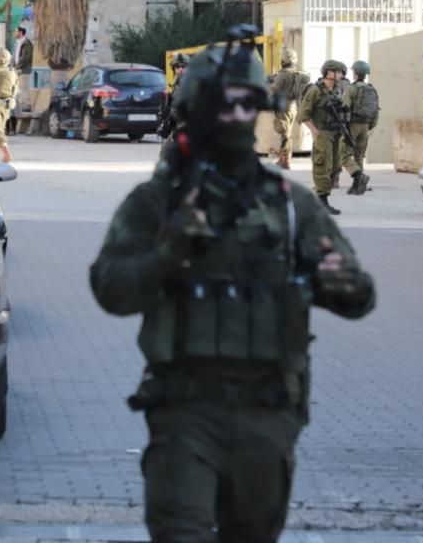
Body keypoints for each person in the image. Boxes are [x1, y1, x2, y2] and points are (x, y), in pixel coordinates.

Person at [89, 27, 375, 543]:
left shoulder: (289, 206)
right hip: (185, 413)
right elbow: (110, 289)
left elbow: (358, 296)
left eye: (248, 104)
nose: (237, 116)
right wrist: (169, 253)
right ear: (195, 109)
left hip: (267, 415)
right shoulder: (157, 203)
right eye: (224, 103)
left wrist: (342, 282)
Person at [299, 59, 349, 214]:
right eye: (339, 72)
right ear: (329, 72)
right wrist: (314, 131)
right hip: (323, 133)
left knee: (335, 167)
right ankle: (321, 201)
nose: (341, 75)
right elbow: (303, 115)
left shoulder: (337, 90)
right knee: (323, 167)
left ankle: (323, 200)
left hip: (336, 133)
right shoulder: (315, 90)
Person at [341, 60, 378, 196]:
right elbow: (375, 111)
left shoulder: (352, 88)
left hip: (353, 124)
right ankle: (357, 186)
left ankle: (359, 177)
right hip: (366, 125)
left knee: (343, 155)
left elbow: (345, 107)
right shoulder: (371, 89)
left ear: (355, 74)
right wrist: (369, 126)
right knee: (359, 155)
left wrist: (343, 126)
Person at [269, 49, 311, 170]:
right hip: (293, 106)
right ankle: (283, 159)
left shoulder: (283, 75)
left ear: (283, 60)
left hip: (284, 105)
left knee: (284, 133)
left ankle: (285, 161)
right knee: (286, 132)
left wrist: (271, 82)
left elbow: (274, 90)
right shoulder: (298, 74)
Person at [12, 27, 34, 134]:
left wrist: (17, 66)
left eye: (16, 31)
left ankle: (26, 106)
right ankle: (21, 105)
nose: (15, 33)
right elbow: (15, 56)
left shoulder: (26, 43)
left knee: (24, 88)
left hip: (24, 70)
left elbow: (25, 57)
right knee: (18, 89)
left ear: (21, 32)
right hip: (17, 69)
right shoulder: (18, 42)